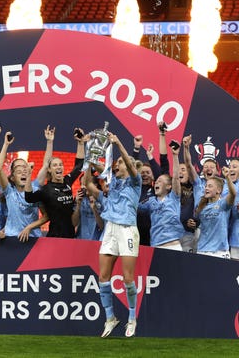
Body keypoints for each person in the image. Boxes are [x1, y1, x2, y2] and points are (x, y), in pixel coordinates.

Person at [85, 132, 141, 338]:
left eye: (120, 163)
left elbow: (129, 164)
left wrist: (118, 144)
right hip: (110, 229)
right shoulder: (113, 183)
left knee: (127, 278)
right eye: (116, 163)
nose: (117, 165)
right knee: (103, 277)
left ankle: (132, 318)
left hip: (127, 229)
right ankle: (110, 318)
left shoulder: (135, 183)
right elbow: (90, 177)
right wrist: (86, 146)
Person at [23, 127, 85, 238]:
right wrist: (28, 175)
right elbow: (29, 198)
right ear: (50, 170)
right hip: (54, 237)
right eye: (55, 165)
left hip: (71, 236)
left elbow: (79, 165)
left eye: (60, 164)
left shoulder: (67, 181)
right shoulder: (46, 190)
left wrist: (80, 143)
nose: (59, 167)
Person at [0, 127, 52, 241]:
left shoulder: (35, 189)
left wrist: (49, 141)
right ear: (12, 176)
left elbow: (46, 165)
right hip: (11, 238)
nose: (23, 172)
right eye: (18, 170)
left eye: (25, 169)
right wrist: (6, 144)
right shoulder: (9, 191)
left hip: (32, 239)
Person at [139, 140, 184, 250]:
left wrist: (175, 156)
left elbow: (176, 177)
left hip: (173, 245)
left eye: (160, 181)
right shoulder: (151, 201)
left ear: (169, 186)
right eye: (156, 181)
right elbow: (134, 205)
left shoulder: (174, 197)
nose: (156, 183)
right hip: (155, 246)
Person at [190, 166, 236, 259]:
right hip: (202, 250)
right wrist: (192, 224)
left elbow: (233, 194)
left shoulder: (223, 204)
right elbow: (199, 224)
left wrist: (227, 178)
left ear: (218, 190)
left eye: (210, 186)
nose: (206, 188)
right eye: (206, 186)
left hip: (220, 252)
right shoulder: (201, 206)